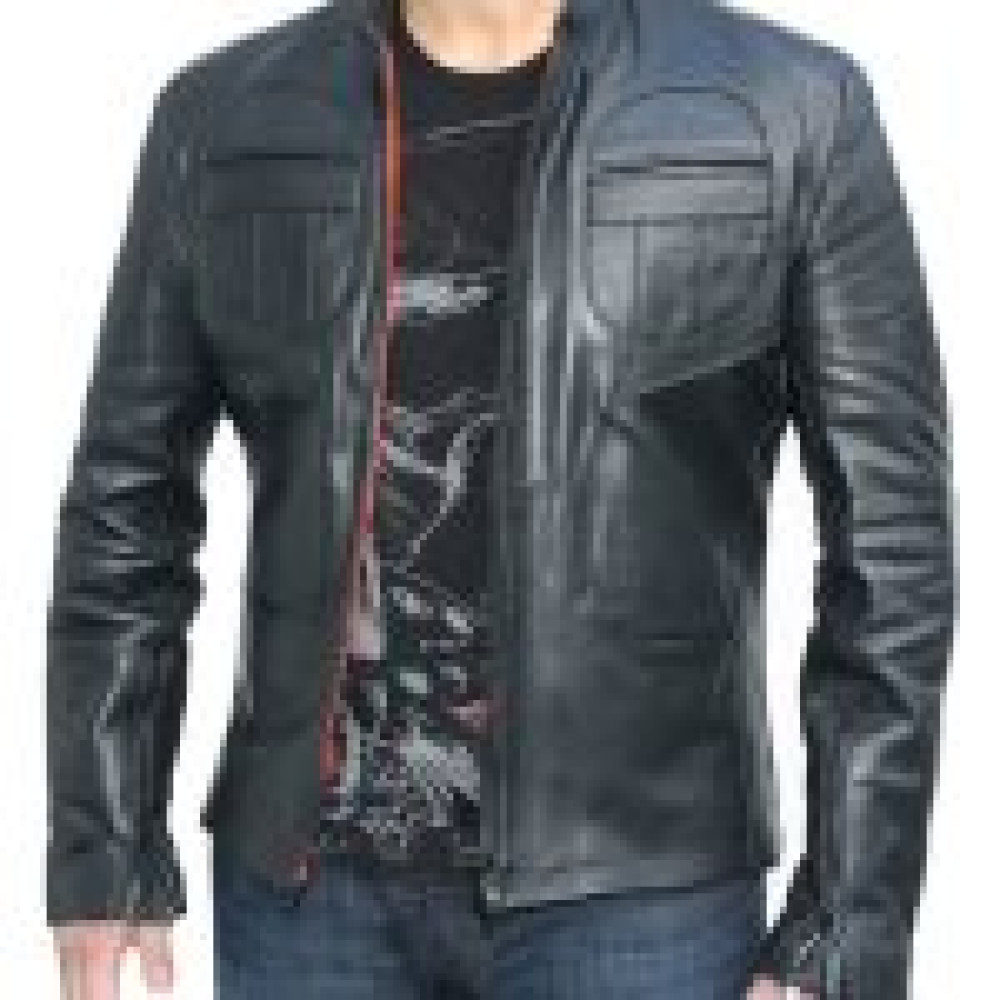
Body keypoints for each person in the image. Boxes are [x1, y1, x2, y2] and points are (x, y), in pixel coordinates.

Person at [46, 1, 956, 998]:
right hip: (309, 902)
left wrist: (848, 918)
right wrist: (104, 843)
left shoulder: (789, 107)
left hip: (640, 892)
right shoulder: (225, 117)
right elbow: (125, 500)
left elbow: (892, 537)